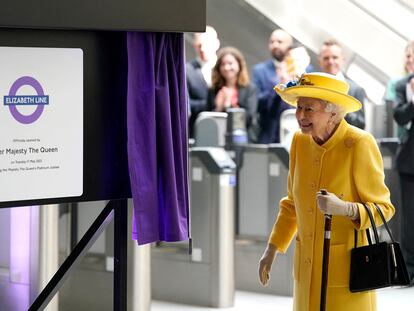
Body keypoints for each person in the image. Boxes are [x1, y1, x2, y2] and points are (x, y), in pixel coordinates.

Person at [258, 72, 395, 310]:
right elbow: (292, 204)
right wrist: (271, 249)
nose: (300, 115)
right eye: (299, 107)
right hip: (305, 272)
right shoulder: (300, 142)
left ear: (333, 112)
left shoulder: (359, 144)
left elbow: (384, 209)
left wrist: (346, 208)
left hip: (346, 274)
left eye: (309, 109)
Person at [206, 46, 258, 141]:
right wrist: (218, 108)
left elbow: (249, 118)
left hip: (242, 139)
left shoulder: (249, 89)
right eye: (223, 64)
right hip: (217, 137)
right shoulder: (213, 89)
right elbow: (207, 117)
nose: (226, 67)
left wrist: (228, 105)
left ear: (239, 65)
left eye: (230, 63)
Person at [252, 29, 293, 143]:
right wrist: (278, 86)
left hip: (296, 130)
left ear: (289, 46)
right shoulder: (259, 70)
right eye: (272, 42)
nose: (275, 45)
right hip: (268, 133)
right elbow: (258, 103)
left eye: (279, 42)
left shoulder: (302, 69)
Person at [393, 72, 414, 286]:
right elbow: (400, 116)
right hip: (410, 162)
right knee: (409, 220)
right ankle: (409, 271)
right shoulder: (403, 85)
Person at [318, 39, 366, 129]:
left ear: (342, 59)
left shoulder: (356, 90)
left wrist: (340, 107)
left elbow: (360, 124)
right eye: (326, 58)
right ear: (320, 61)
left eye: (335, 57)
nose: (331, 61)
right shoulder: (313, 88)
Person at [186, 25, 220, 137]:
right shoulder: (187, 70)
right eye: (199, 45)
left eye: (206, 44)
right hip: (196, 131)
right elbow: (186, 103)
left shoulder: (226, 67)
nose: (203, 49)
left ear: (216, 44)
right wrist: (212, 104)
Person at [385, 40, 414, 139]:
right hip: (402, 137)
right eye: (408, 56)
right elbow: (394, 111)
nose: (411, 60)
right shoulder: (397, 83)